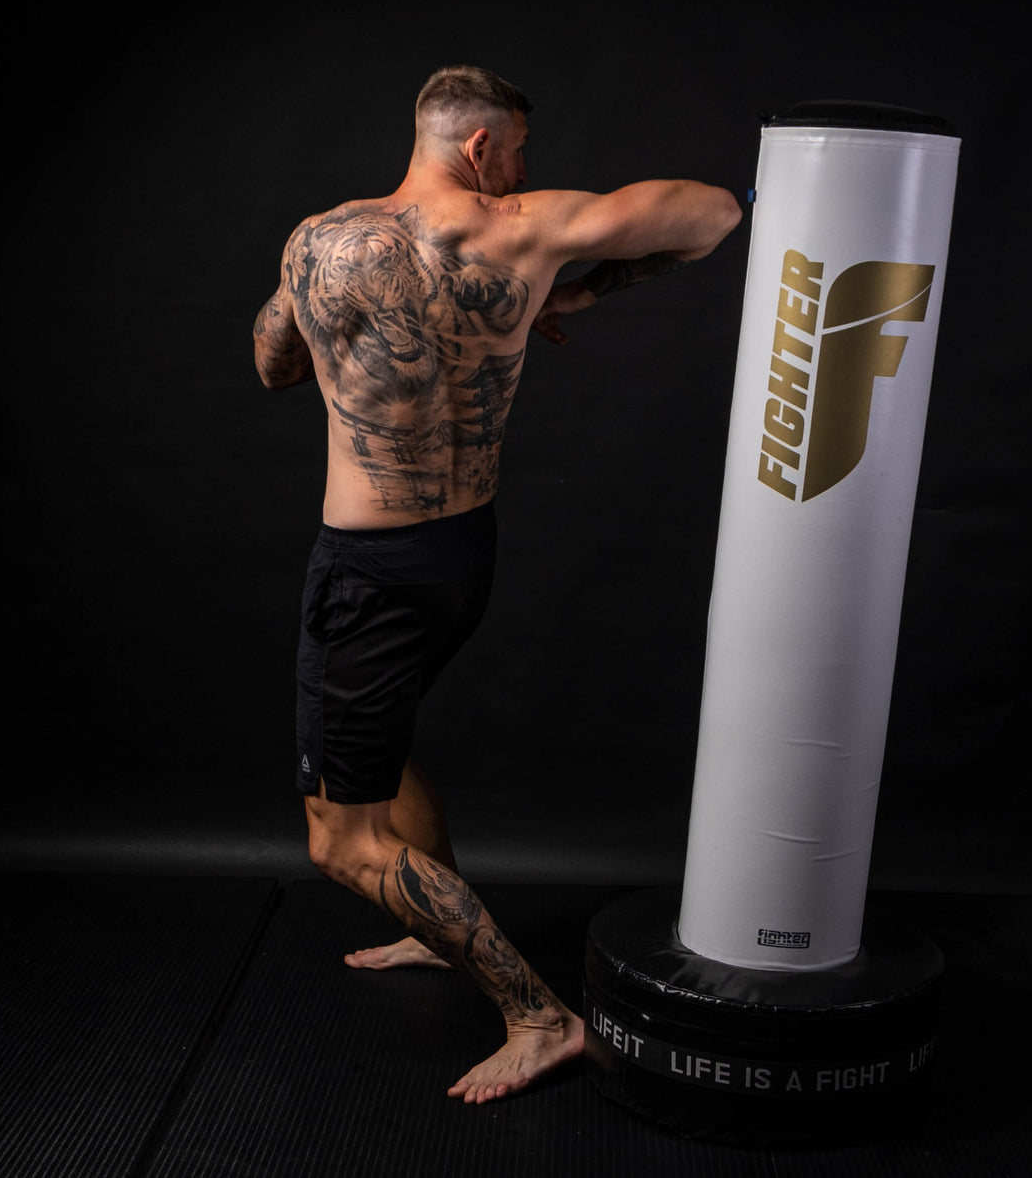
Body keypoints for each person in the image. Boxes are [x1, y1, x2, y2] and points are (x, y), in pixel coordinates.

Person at [253, 65, 740, 1105]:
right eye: (518, 151)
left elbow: (271, 364)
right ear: (482, 147)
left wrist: (336, 331)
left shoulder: (318, 240)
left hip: (368, 571)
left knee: (341, 839)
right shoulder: (530, 230)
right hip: (461, 554)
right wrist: (567, 290)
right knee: (381, 750)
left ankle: (536, 1015)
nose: (522, 170)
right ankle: (433, 928)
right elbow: (712, 217)